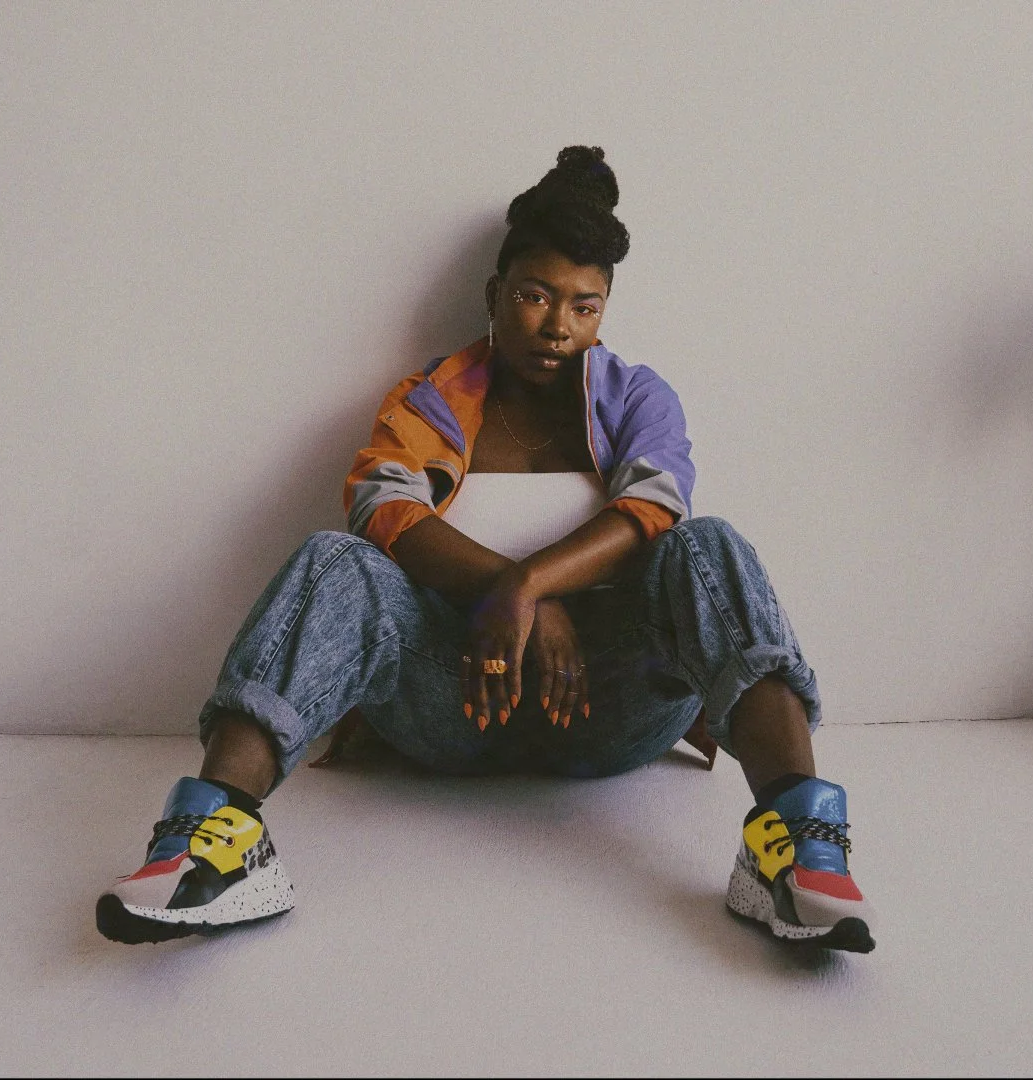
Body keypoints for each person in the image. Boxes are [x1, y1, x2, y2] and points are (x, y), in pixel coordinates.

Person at [95, 146, 876, 953]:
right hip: (451, 700)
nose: (557, 327)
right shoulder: (432, 398)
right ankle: (214, 841)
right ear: (495, 294)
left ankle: (796, 853)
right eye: (536, 297)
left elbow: (653, 504)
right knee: (336, 559)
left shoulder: (637, 396)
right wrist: (509, 598)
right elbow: (383, 505)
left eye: (585, 306)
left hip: (609, 705)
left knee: (706, 545)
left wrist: (527, 589)